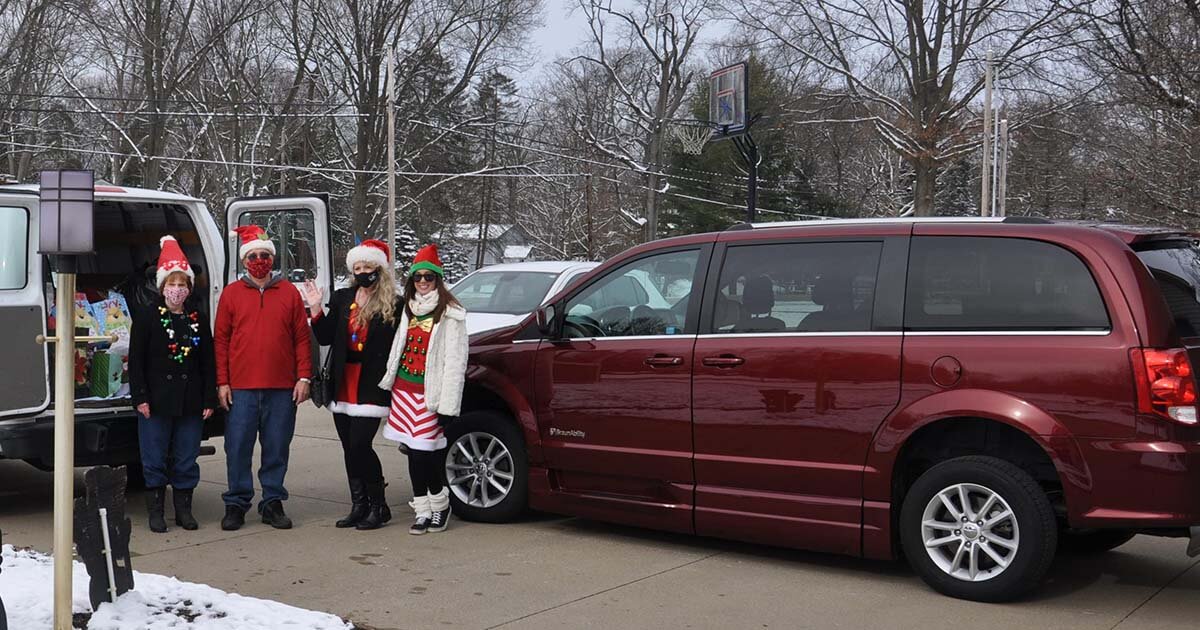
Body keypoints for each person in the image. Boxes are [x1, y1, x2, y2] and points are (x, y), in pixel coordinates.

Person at [214, 224, 312, 531]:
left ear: (272, 259)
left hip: (282, 388)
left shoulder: (289, 293)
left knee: (276, 447)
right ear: (244, 261)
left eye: (264, 255)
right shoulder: (231, 294)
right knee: (238, 447)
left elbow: (301, 338)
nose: (259, 260)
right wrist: (223, 381)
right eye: (253, 256)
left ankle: (272, 501)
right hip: (240, 388)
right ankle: (236, 502)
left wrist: (304, 377)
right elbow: (221, 340)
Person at [301, 239, 404, 530]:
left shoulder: (394, 304)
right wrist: (316, 309)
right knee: (348, 446)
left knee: (361, 444)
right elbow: (324, 337)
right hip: (343, 379)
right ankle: (358, 505)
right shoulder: (344, 296)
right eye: (357, 267)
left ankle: (379, 505)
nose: (362, 271)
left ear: (379, 269)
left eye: (368, 266)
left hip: (372, 383)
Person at [128, 236, 217, 533]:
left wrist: (208, 399)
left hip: (190, 401)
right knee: (153, 456)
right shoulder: (147, 317)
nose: (176, 290)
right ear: (162, 286)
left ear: (189, 288)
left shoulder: (197, 318)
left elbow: (208, 361)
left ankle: (183, 510)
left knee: (186, 456)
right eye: (171, 284)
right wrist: (140, 396)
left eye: (182, 285)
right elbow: (136, 361)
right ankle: (155, 511)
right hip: (155, 400)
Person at [379, 244, 468, 535]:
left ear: (438, 279)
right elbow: (397, 348)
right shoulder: (408, 307)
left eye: (429, 277)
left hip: (429, 397)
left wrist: (448, 407)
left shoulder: (451, 314)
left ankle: (440, 507)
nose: (423, 282)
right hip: (404, 392)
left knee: (425, 454)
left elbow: (456, 363)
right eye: (418, 277)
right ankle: (422, 509)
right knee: (411, 452)